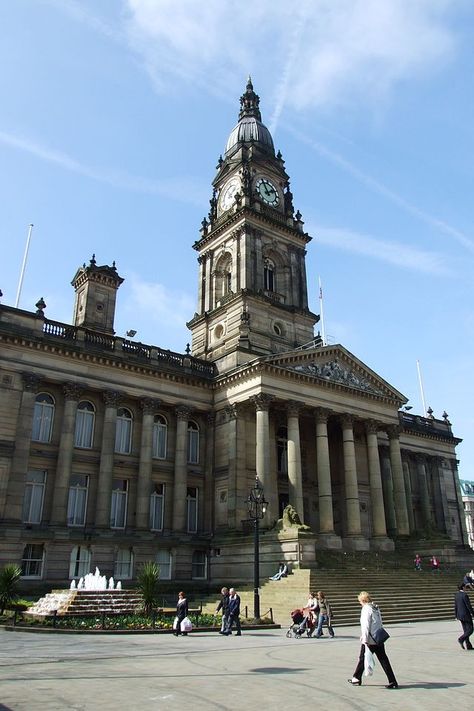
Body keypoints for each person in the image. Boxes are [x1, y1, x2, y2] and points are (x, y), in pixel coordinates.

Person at [348, 591, 398, 689]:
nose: (360, 604)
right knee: (383, 659)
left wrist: (365, 638)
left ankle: (356, 678)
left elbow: (366, 625)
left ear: (363, 600)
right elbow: (379, 623)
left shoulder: (366, 609)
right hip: (378, 638)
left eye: (360, 602)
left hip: (370, 639)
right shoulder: (375, 607)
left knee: (362, 658)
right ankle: (392, 681)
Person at [454, 584, 474, 650]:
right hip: (466, 615)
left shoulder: (457, 595)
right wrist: (473, 614)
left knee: (466, 631)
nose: (466, 588)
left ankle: (468, 646)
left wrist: (456, 615)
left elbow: (456, 606)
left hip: (460, 615)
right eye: (465, 587)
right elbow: (468, 606)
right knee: (470, 630)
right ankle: (461, 639)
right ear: (463, 587)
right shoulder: (464, 595)